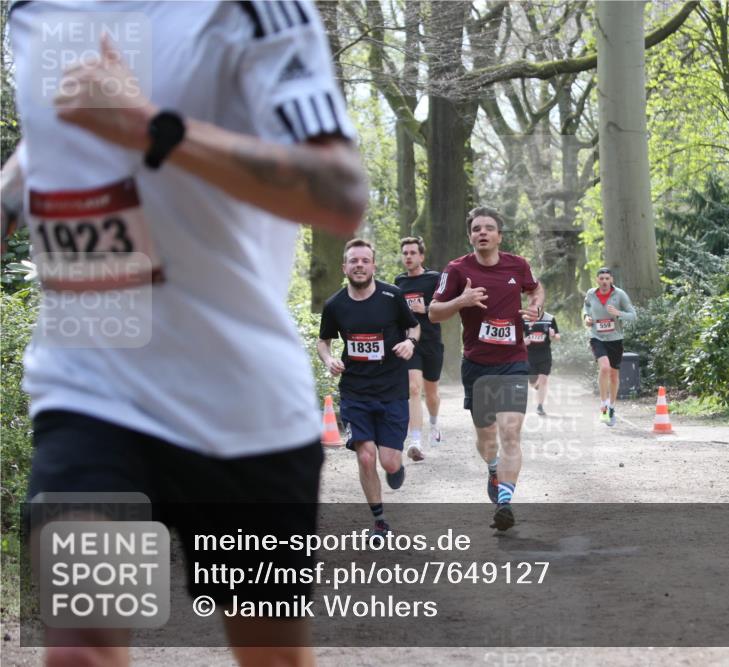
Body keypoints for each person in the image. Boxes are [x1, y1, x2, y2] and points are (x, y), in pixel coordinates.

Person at [8, 1, 367, 664]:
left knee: (272, 657)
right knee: (78, 650)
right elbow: (61, 130)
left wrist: (148, 126)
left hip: (240, 406)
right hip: (89, 388)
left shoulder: (251, 10)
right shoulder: (34, 13)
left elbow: (339, 193)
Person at [429, 206, 544, 531]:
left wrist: (536, 306)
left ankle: (505, 502)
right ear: (470, 236)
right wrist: (460, 302)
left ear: (498, 235)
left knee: (510, 431)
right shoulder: (456, 270)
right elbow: (434, 312)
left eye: (488, 228)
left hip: (513, 361)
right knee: (487, 438)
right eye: (476, 228)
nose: (482, 232)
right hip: (477, 365)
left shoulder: (517, 265)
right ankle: (493, 469)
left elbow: (535, 287)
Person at [317, 239, 419, 539]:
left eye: (365, 260)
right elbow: (324, 341)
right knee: (364, 456)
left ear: (373, 265)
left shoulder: (392, 296)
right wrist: (329, 359)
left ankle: (395, 466)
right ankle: (379, 521)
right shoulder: (335, 305)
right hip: (356, 391)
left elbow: (414, 326)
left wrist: (409, 343)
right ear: (344, 267)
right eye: (353, 261)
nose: (359, 265)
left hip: (392, 389)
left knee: (388, 460)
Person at [394, 236, 444, 461]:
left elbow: (444, 306)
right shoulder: (399, 282)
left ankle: (434, 424)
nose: (408, 257)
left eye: (413, 253)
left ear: (421, 256)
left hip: (432, 342)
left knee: (431, 393)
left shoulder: (434, 278)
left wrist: (425, 308)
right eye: (405, 253)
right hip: (410, 344)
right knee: (414, 389)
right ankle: (414, 441)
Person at [583, 267, 637, 426]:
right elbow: (586, 307)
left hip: (615, 339)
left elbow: (633, 316)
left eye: (607, 278)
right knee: (604, 368)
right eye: (602, 279)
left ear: (611, 280)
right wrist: (586, 317)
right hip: (596, 336)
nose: (604, 281)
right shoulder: (591, 294)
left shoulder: (620, 295)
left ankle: (612, 407)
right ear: (597, 280)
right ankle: (603, 405)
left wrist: (618, 313)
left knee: (614, 376)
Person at [524, 311, 560, 415]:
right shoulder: (524, 318)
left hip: (545, 355)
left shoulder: (550, 318)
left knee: (543, 380)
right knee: (532, 382)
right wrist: (523, 341)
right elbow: (517, 338)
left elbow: (558, 336)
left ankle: (540, 407)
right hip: (530, 356)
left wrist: (553, 336)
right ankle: (536, 386)